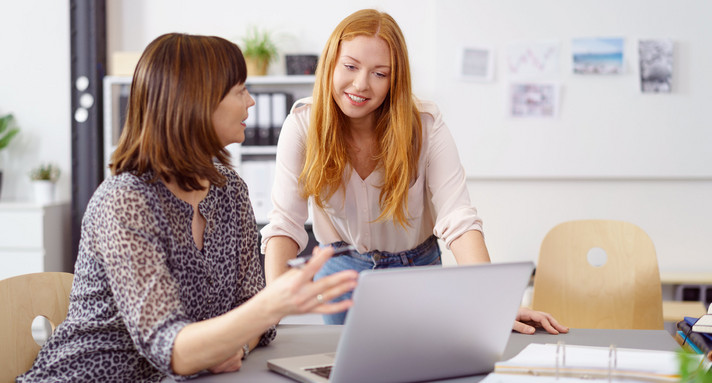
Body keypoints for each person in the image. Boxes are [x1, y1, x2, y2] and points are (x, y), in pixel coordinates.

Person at [17, 33, 358, 383]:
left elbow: (255, 316)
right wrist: (273, 304)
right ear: (196, 101)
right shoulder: (124, 202)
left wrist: (234, 346)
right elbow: (173, 349)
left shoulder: (229, 191)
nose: (251, 102)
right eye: (240, 90)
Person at [261, 9, 568, 334]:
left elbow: (458, 218)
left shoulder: (425, 125)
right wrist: (269, 311)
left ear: (396, 79)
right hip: (341, 272)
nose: (361, 84)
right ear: (331, 63)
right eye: (350, 66)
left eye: (380, 73)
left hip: (416, 268)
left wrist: (493, 303)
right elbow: (285, 223)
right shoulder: (302, 125)